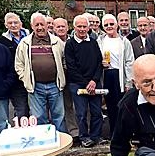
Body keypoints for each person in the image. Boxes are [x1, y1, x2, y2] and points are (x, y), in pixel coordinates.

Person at [15, 12, 67, 132]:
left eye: (42, 24)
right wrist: (25, 79)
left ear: (47, 25)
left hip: (55, 85)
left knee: (59, 117)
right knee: (39, 117)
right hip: (36, 86)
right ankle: (45, 144)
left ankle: (60, 143)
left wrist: (62, 76)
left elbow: (64, 60)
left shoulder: (57, 41)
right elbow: (19, 64)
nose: (40, 27)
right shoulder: (25, 43)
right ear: (32, 26)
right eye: (36, 25)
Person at [65, 15, 104, 147]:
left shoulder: (93, 42)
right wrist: (86, 83)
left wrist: (94, 80)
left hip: (94, 83)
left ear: (88, 27)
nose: (82, 29)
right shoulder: (70, 44)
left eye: (84, 26)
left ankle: (96, 136)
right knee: (81, 114)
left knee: (97, 112)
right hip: (78, 84)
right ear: (74, 27)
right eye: (79, 26)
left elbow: (99, 62)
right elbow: (71, 67)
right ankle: (84, 137)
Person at [97, 14, 134, 137]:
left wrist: (129, 81)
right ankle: (113, 132)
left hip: (120, 76)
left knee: (121, 105)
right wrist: (101, 63)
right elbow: (95, 59)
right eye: (106, 25)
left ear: (116, 25)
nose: (109, 27)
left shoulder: (124, 42)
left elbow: (129, 62)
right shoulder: (100, 41)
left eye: (111, 24)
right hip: (106, 75)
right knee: (109, 106)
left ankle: (123, 133)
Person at [0, 12, 30, 118]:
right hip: (16, 82)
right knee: (22, 110)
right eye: (10, 23)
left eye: (15, 22)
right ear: (6, 25)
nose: (13, 25)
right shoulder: (3, 42)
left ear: (20, 23)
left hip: (34, 79)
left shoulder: (30, 36)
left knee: (37, 111)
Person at [54, 17, 80, 145]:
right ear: (54, 28)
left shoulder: (73, 41)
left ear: (67, 27)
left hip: (75, 78)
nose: (60, 29)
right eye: (58, 27)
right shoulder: (52, 42)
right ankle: (71, 133)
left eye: (62, 26)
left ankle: (81, 131)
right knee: (65, 107)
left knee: (80, 106)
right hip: (60, 80)